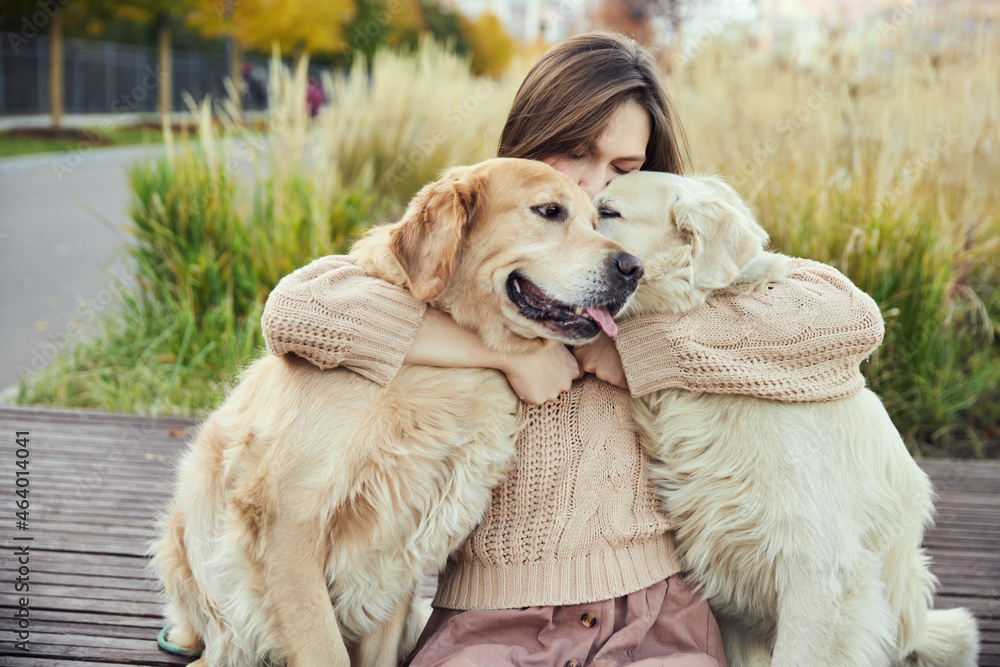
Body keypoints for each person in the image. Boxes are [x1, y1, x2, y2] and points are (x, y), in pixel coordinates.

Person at [260, 32, 884, 666]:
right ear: (533, 136)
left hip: (657, 618)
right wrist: (501, 352)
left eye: (624, 169)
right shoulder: (487, 242)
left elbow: (846, 320)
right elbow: (301, 308)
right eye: (574, 154)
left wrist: (639, 350)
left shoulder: (656, 256)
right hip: (493, 619)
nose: (594, 188)